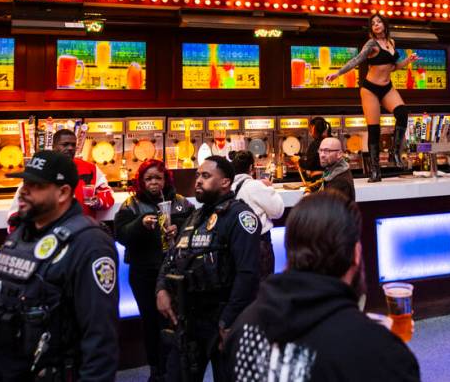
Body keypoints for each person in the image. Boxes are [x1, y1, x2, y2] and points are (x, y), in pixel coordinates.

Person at [0, 150, 119, 382]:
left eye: (36, 185)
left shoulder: (89, 244)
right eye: (25, 183)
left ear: (63, 193)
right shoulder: (22, 233)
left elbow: (100, 340)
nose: (24, 191)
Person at [223, 191, 420, 381]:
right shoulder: (381, 353)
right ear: (356, 253)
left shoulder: (242, 328)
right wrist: (389, 344)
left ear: (289, 249)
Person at [156, 155, 260, 382]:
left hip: (223, 318)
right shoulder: (196, 215)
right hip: (189, 319)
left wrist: (229, 321)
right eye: (197, 176)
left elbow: (248, 275)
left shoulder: (240, 216)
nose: (198, 181)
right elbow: (173, 256)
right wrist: (161, 288)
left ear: (225, 182)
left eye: (206, 176)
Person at [114, 159, 194, 382]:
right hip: (144, 273)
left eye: (158, 178)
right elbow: (120, 235)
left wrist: (178, 230)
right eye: (148, 178)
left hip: (174, 272)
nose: (153, 183)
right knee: (150, 322)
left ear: (166, 179)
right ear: (141, 181)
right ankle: (156, 370)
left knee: (175, 321)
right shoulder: (131, 205)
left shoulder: (181, 203)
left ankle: (175, 368)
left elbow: (194, 230)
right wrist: (140, 224)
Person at [325, 13, 418, 181]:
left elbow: (393, 67)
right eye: (373, 23)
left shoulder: (391, 43)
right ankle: (375, 171)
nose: (376, 25)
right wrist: (338, 73)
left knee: (403, 113)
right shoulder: (371, 44)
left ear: (384, 25)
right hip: (370, 89)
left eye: (379, 22)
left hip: (387, 87)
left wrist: (408, 61)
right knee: (374, 129)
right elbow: (356, 60)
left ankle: (395, 152)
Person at [231, 150, 285, 279]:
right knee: (263, 285)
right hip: (259, 244)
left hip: (235, 245)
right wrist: (270, 188)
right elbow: (278, 211)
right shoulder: (256, 186)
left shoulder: (228, 188)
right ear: (251, 168)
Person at [53, 128, 115, 214]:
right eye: (65, 144)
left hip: (84, 224)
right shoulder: (44, 168)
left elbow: (108, 195)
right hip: (55, 225)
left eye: (73, 145)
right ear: (54, 146)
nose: (70, 148)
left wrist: (97, 201)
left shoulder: (90, 168)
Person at [307, 137, 356, 202]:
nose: (322, 155)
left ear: (339, 154)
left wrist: (307, 199)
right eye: (320, 150)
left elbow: (326, 208)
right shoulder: (332, 171)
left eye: (327, 151)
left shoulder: (340, 182)